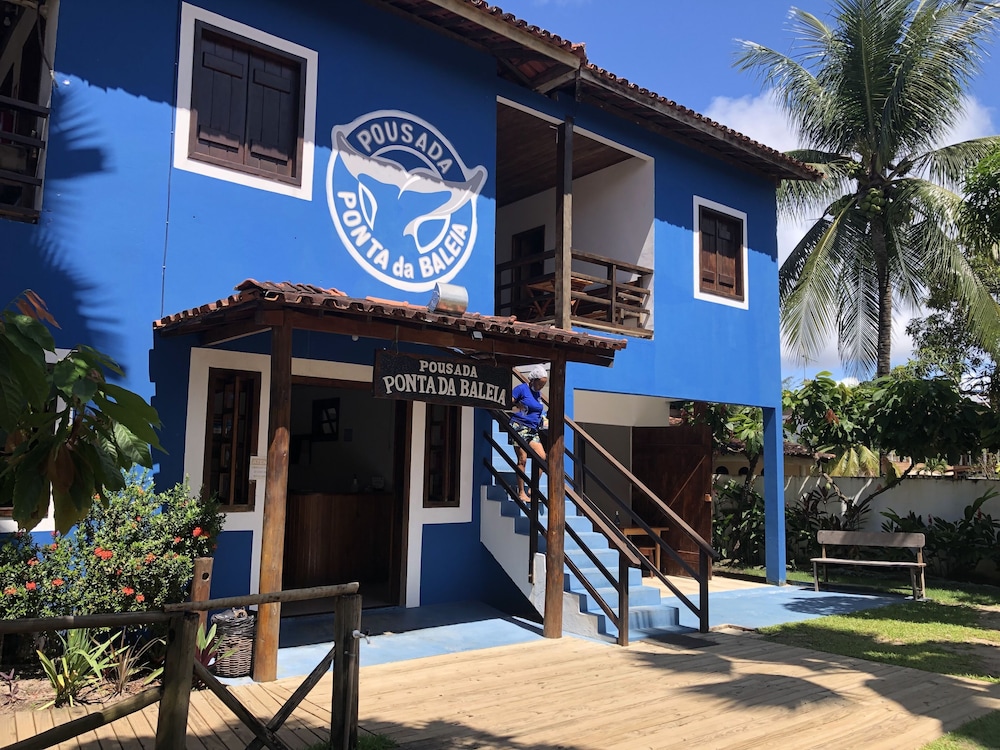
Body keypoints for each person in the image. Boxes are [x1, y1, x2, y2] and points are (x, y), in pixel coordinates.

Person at [510, 365, 547, 503]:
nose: (541, 387)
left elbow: (537, 409)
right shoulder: (521, 389)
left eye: (543, 385)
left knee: (542, 457)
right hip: (519, 426)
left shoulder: (538, 394)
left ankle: (532, 487)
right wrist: (517, 406)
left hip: (532, 429)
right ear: (533, 380)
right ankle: (521, 492)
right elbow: (507, 401)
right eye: (540, 384)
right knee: (523, 459)